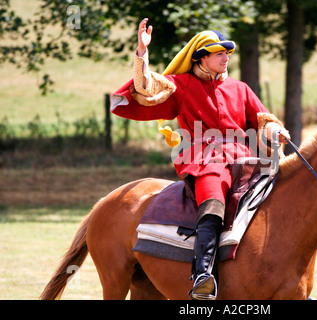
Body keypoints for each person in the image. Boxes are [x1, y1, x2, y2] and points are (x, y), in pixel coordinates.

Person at [110, 18, 290, 300]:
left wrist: (276, 130)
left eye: (228, 54)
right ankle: (203, 275)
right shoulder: (178, 86)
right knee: (214, 202)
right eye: (219, 53)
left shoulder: (240, 88)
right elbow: (146, 88)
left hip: (244, 159)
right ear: (201, 58)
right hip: (204, 161)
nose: (226, 58)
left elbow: (263, 118)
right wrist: (142, 53)